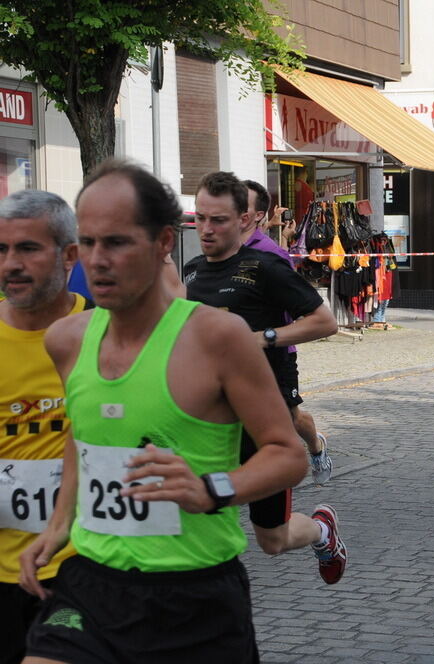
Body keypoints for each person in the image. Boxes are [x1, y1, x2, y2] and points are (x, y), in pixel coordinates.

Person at [19, 160, 311, 663]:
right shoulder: (66, 340)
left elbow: (288, 455)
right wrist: (59, 523)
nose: (98, 260)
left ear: (162, 244)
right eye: (88, 243)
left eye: (117, 242)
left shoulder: (217, 337)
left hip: (194, 592)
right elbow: (81, 438)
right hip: (93, 581)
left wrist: (211, 489)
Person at [183, 172, 345, 584]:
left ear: (243, 219)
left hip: (262, 422)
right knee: (191, 513)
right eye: (200, 218)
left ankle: (322, 530)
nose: (206, 228)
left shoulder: (265, 266)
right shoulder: (191, 273)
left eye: (217, 220)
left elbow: (324, 322)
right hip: (207, 421)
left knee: (271, 539)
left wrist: (262, 338)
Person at [0, 191, 88, 664]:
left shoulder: (105, 331)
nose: (11, 263)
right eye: (1, 250)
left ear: (69, 254)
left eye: (28, 249)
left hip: (86, 566)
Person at [243, 180, 332, 484]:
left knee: (290, 417)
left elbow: (306, 312)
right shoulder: (222, 254)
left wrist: (266, 335)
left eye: (242, 206)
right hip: (236, 356)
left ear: (254, 216)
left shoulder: (271, 254)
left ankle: (316, 445)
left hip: (276, 353)